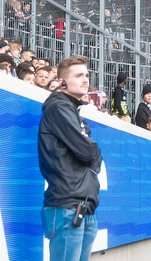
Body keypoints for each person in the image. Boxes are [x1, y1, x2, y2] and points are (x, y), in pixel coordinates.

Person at [38, 56, 102, 261]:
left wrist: (89, 148)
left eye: (87, 75)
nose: (85, 80)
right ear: (62, 82)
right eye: (79, 75)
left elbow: (95, 158)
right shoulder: (57, 107)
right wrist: (88, 148)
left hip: (85, 206)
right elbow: (89, 152)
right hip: (67, 206)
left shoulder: (76, 114)